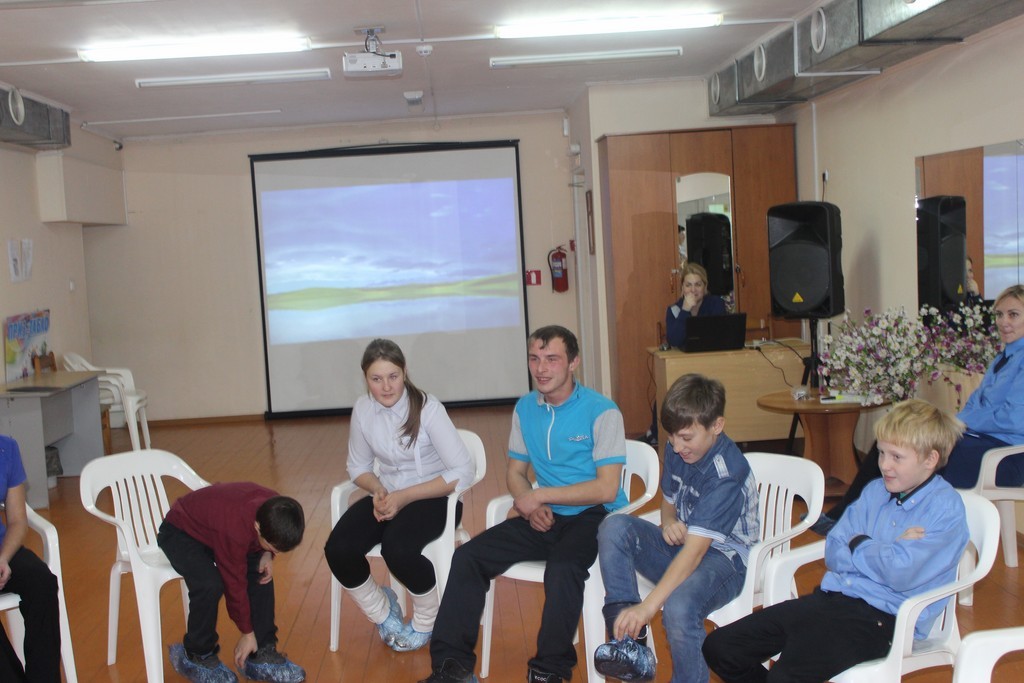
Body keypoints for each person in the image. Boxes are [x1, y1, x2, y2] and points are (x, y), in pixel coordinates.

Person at [703, 399, 970, 683]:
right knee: (721, 647)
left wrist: (860, 542)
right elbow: (834, 551)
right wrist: (889, 549)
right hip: (834, 599)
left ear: (930, 459)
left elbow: (899, 575)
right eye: (881, 453)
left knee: (785, 676)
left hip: (886, 620)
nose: (884, 465)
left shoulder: (945, 509)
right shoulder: (875, 491)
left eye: (896, 457)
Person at [418, 325, 628, 683]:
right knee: (468, 557)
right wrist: (528, 504)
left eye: (552, 359)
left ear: (573, 362)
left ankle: (550, 670)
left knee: (563, 567)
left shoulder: (602, 411)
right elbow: (516, 473)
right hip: (545, 515)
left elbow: (607, 489)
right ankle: (452, 667)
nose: (541, 369)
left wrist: (540, 496)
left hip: (596, 517)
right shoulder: (525, 408)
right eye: (534, 359)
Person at [815, 284, 1024, 534]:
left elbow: (1014, 419)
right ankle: (848, 518)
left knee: (912, 456)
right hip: (976, 442)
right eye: (999, 314)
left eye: (1013, 315)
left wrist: (960, 423)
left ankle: (865, 525)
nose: (1003, 322)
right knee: (893, 444)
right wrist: (956, 423)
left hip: (1004, 457)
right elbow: (974, 403)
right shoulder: (1004, 357)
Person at [592, 374, 759, 683]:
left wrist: (647, 608)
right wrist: (669, 522)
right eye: (671, 437)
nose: (677, 446)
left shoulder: (726, 474)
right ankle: (630, 648)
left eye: (686, 438)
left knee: (679, 607)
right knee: (614, 527)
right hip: (688, 545)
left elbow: (695, 554)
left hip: (728, 561)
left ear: (716, 426)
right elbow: (668, 503)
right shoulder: (678, 447)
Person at [324, 338, 475, 652]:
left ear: (405, 372)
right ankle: (382, 612)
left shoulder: (428, 408)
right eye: (376, 379)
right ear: (365, 378)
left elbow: (463, 470)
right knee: (338, 548)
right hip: (389, 494)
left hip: (436, 497)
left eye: (393, 376)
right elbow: (358, 466)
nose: (386, 387)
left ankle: (427, 620)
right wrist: (377, 489)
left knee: (398, 549)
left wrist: (404, 497)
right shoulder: (363, 409)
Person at [157, 483, 306, 683]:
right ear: (258, 527)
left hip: (216, 530)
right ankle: (196, 654)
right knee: (209, 583)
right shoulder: (234, 529)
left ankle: (262, 652)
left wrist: (267, 553)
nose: (277, 553)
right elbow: (234, 584)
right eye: (274, 547)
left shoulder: (277, 508)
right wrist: (246, 632)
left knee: (260, 572)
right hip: (180, 531)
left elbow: (263, 545)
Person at [0, 435, 61, 683]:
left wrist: (3, 558)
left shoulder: (7, 448)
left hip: (2, 549)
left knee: (42, 582)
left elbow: (17, 520)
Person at [665, 263, 727, 349]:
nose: (693, 290)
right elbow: (674, 341)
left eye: (698, 285)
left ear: (705, 287)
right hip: (683, 356)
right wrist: (685, 310)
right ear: (682, 287)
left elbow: (720, 336)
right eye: (688, 285)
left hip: (711, 354)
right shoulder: (673, 310)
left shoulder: (716, 303)